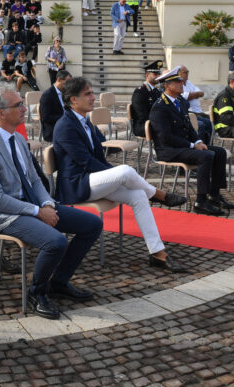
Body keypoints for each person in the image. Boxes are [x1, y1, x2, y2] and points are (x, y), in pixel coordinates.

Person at [0, 83, 102, 320]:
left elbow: (33, 180)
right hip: (6, 215)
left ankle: (59, 282)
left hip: (33, 205)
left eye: (22, 103)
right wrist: (37, 211)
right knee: (55, 242)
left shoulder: (18, 139)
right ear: (0, 113)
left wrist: (48, 204)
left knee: (92, 224)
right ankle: (37, 292)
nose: (24, 109)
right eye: (18, 105)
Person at [53, 77, 189, 270]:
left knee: (138, 195)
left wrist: (116, 177)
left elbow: (98, 158)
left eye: (92, 93)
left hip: (92, 180)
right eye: (88, 94)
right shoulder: (65, 125)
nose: (93, 97)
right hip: (76, 185)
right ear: (73, 100)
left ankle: (157, 253)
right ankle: (160, 195)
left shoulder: (84, 121)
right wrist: (117, 175)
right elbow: (86, 162)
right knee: (125, 171)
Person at [150, 68, 233, 216]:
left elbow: (189, 128)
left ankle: (214, 194)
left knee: (219, 152)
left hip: (182, 146)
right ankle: (201, 201)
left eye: (181, 80)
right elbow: (165, 137)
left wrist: (199, 141)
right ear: (167, 86)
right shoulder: (159, 107)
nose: (182, 83)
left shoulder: (181, 102)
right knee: (205, 156)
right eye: (177, 81)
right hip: (168, 150)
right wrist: (192, 145)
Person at [175, 65, 214, 144]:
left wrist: (193, 94)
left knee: (209, 122)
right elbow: (185, 97)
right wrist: (195, 94)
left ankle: (209, 145)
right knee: (201, 125)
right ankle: (199, 146)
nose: (187, 74)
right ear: (179, 74)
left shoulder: (189, 83)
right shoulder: (178, 84)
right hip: (190, 113)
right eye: (185, 72)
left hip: (198, 112)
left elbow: (201, 93)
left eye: (188, 72)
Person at [130, 60, 164, 138]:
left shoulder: (157, 91)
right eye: (155, 74)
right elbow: (142, 115)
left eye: (159, 74)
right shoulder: (140, 92)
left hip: (154, 123)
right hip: (143, 126)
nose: (158, 76)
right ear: (147, 75)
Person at [38, 69, 70, 142]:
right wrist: (65, 117)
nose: (69, 85)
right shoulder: (47, 95)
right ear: (59, 79)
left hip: (64, 124)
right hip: (53, 128)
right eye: (67, 82)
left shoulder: (65, 92)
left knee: (86, 123)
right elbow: (46, 117)